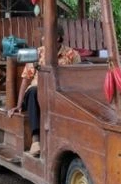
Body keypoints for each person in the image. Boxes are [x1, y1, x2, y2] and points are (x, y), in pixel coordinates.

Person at [8, 25, 80, 157]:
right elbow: (25, 79)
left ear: (57, 38)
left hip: (59, 93)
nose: (42, 38)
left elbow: (77, 79)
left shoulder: (72, 55)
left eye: (45, 35)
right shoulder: (37, 53)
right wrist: (18, 104)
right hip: (36, 93)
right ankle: (36, 140)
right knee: (34, 90)